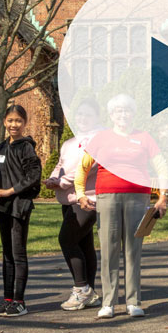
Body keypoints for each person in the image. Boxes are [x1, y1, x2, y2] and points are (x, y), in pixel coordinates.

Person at [75, 94, 168, 319]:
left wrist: (163, 196)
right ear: (111, 115)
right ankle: (108, 303)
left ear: (133, 113)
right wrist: (80, 194)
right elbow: (83, 167)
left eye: (126, 110)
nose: (123, 114)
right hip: (107, 197)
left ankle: (133, 301)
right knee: (109, 250)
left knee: (133, 250)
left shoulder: (144, 137)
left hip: (138, 198)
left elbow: (162, 167)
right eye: (118, 111)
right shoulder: (101, 137)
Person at [46, 99, 102, 311]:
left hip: (88, 198)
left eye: (87, 114)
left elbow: (88, 167)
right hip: (67, 200)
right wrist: (53, 178)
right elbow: (60, 165)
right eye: (79, 115)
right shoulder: (69, 143)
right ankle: (90, 291)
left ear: (96, 117)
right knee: (84, 243)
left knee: (66, 239)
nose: (82, 118)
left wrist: (61, 182)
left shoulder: (99, 139)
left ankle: (81, 288)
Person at [0, 104, 42, 318]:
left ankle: (20, 301)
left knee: (18, 253)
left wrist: (11, 190)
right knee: (7, 254)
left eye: (18, 121)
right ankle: (7, 298)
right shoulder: (0, 148)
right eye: (10, 120)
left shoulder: (26, 147)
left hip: (19, 205)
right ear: (4, 122)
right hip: (3, 206)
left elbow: (34, 175)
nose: (13, 125)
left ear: (24, 123)